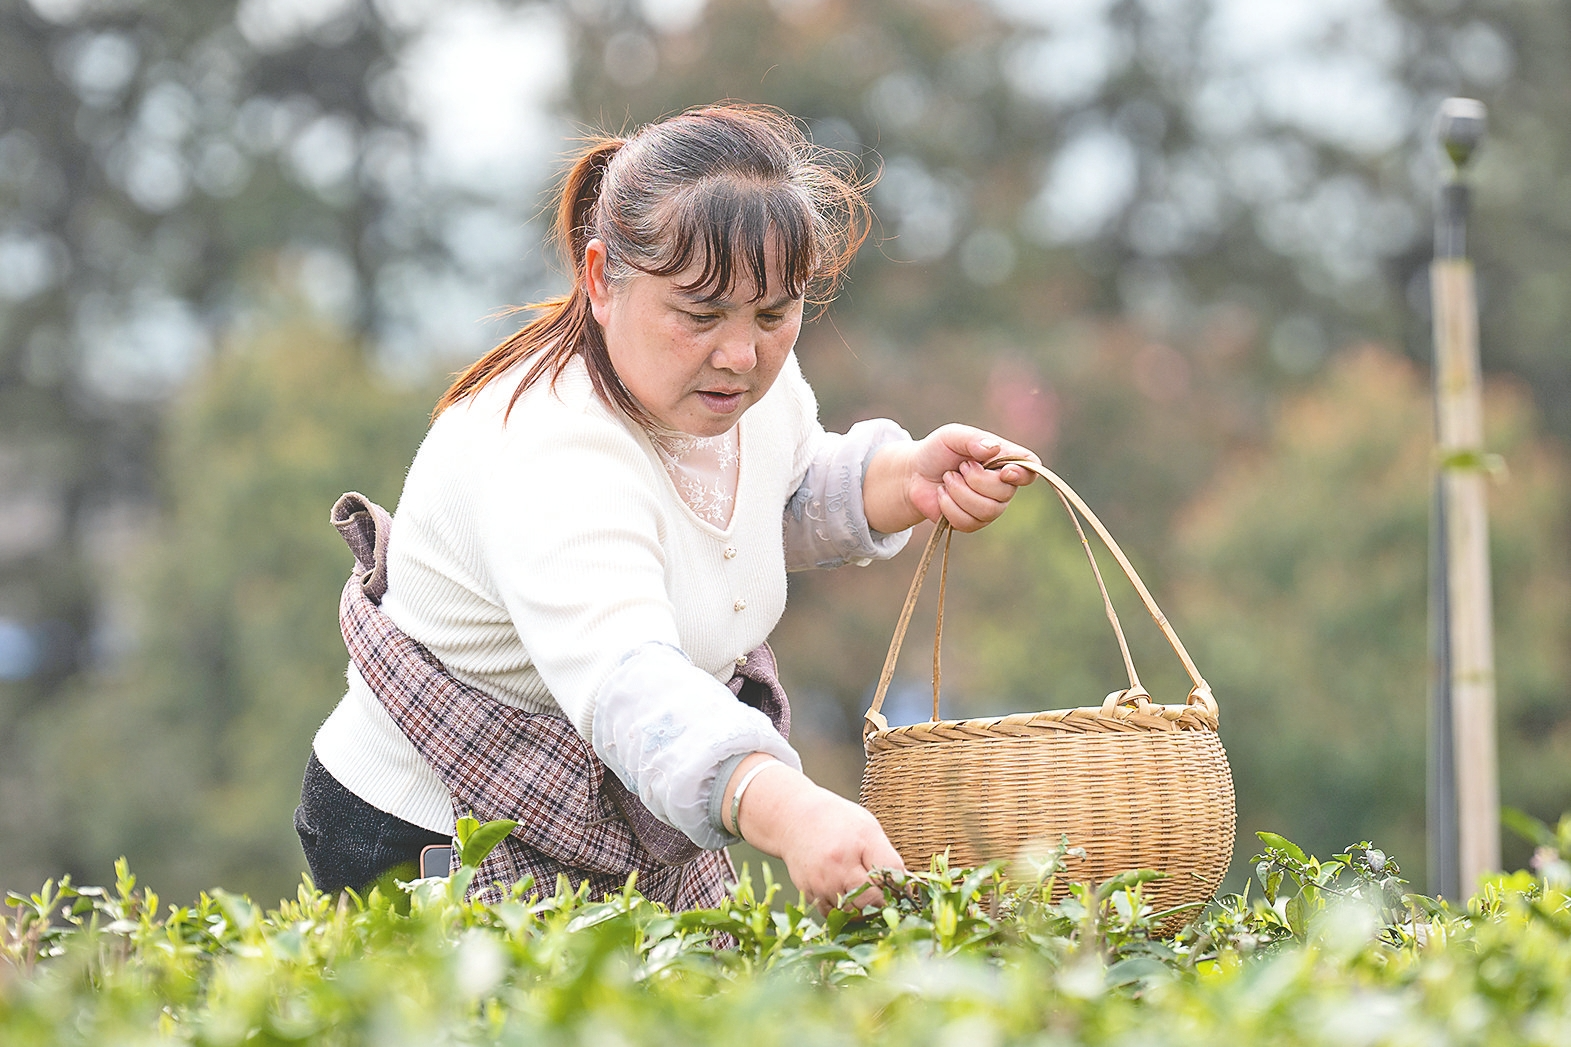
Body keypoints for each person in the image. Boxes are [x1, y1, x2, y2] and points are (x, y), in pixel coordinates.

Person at [296, 103, 1038, 909]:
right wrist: (788, 808)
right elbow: (630, 684)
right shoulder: (553, 446)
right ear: (600, 280)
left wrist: (901, 480)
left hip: (610, 786)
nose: (740, 355)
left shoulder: (747, 388)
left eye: (773, 312)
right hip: (431, 820)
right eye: (699, 313)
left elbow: (762, 500)